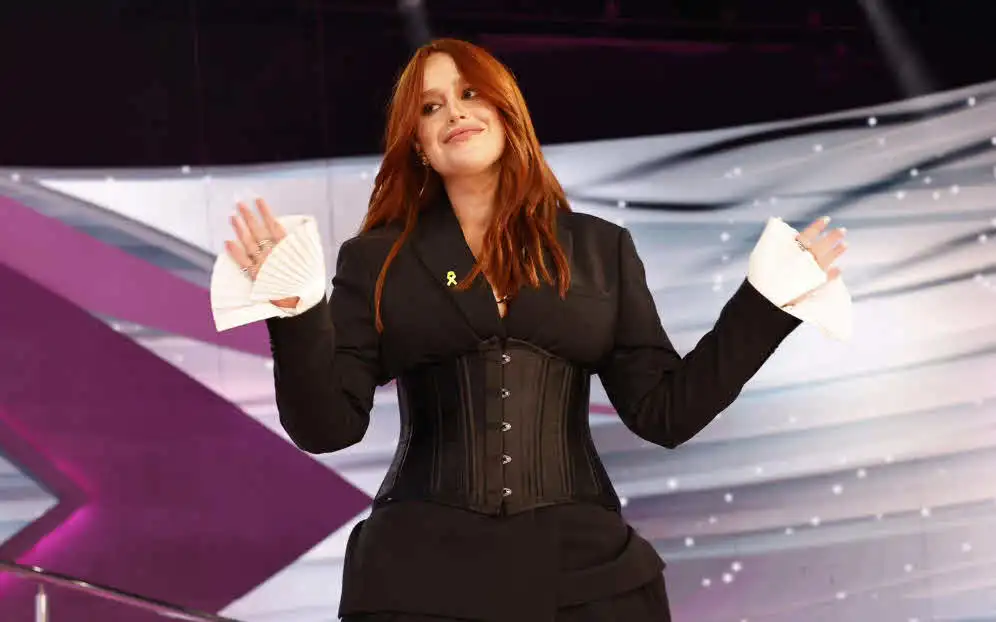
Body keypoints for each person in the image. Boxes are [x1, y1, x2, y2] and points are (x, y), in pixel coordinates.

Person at [211, 38, 851, 622]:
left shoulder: (599, 249)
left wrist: (764, 306)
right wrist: (294, 310)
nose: (454, 112)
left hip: (588, 577)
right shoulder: (377, 259)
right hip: (418, 576)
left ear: (506, 110)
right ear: (418, 143)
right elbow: (327, 427)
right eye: (431, 107)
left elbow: (666, 414)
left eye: (469, 93)